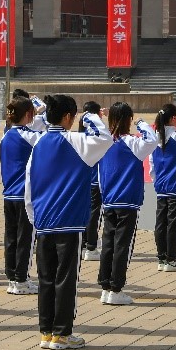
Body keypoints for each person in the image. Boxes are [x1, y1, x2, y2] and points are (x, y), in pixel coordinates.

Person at [24, 95, 114, 350]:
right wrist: (92, 115)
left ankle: (46, 332)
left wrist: (34, 218)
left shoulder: (39, 143)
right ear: (67, 117)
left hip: (44, 221)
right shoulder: (76, 141)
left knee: (46, 278)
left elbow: (29, 186)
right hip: (69, 220)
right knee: (65, 278)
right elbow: (105, 138)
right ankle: (62, 333)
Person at [97, 103, 161, 304]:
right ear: (128, 120)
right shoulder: (132, 142)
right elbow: (152, 140)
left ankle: (106, 286)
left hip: (109, 199)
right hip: (127, 201)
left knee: (108, 243)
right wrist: (141, 122)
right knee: (122, 245)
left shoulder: (105, 142)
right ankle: (116, 288)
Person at [1, 97, 43, 295]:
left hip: (9, 194)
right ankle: (21, 280)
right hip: (24, 195)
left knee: (11, 238)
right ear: (28, 114)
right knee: (25, 239)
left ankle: (12, 278)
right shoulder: (29, 136)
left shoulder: (6, 135)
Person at [151, 103, 176, 273]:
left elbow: (152, 166)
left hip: (161, 187)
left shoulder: (155, 138)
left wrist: (157, 181)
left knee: (161, 222)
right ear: (173, 118)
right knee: (174, 223)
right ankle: (172, 259)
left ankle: (162, 258)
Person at [80, 100, 104, 262]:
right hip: (95, 180)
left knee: (84, 212)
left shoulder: (80, 133)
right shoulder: (97, 135)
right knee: (94, 214)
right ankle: (91, 246)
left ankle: (83, 244)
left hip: (82, 180)